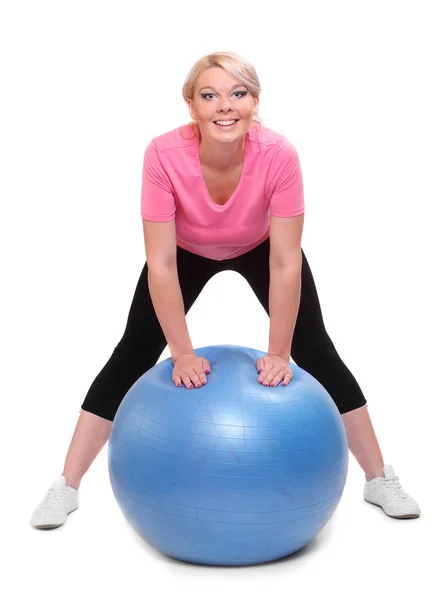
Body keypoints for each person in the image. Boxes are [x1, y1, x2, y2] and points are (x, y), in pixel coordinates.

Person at [30, 51, 420, 530]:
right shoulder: (162, 154)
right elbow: (162, 261)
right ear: (191, 106)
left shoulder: (278, 154)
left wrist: (280, 353)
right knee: (132, 352)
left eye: (238, 94)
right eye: (209, 95)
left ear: (255, 102)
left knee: (316, 349)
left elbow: (283, 260)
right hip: (185, 250)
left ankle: (379, 478)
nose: (225, 106)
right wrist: (183, 352)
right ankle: (65, 486)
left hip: (261, 246)